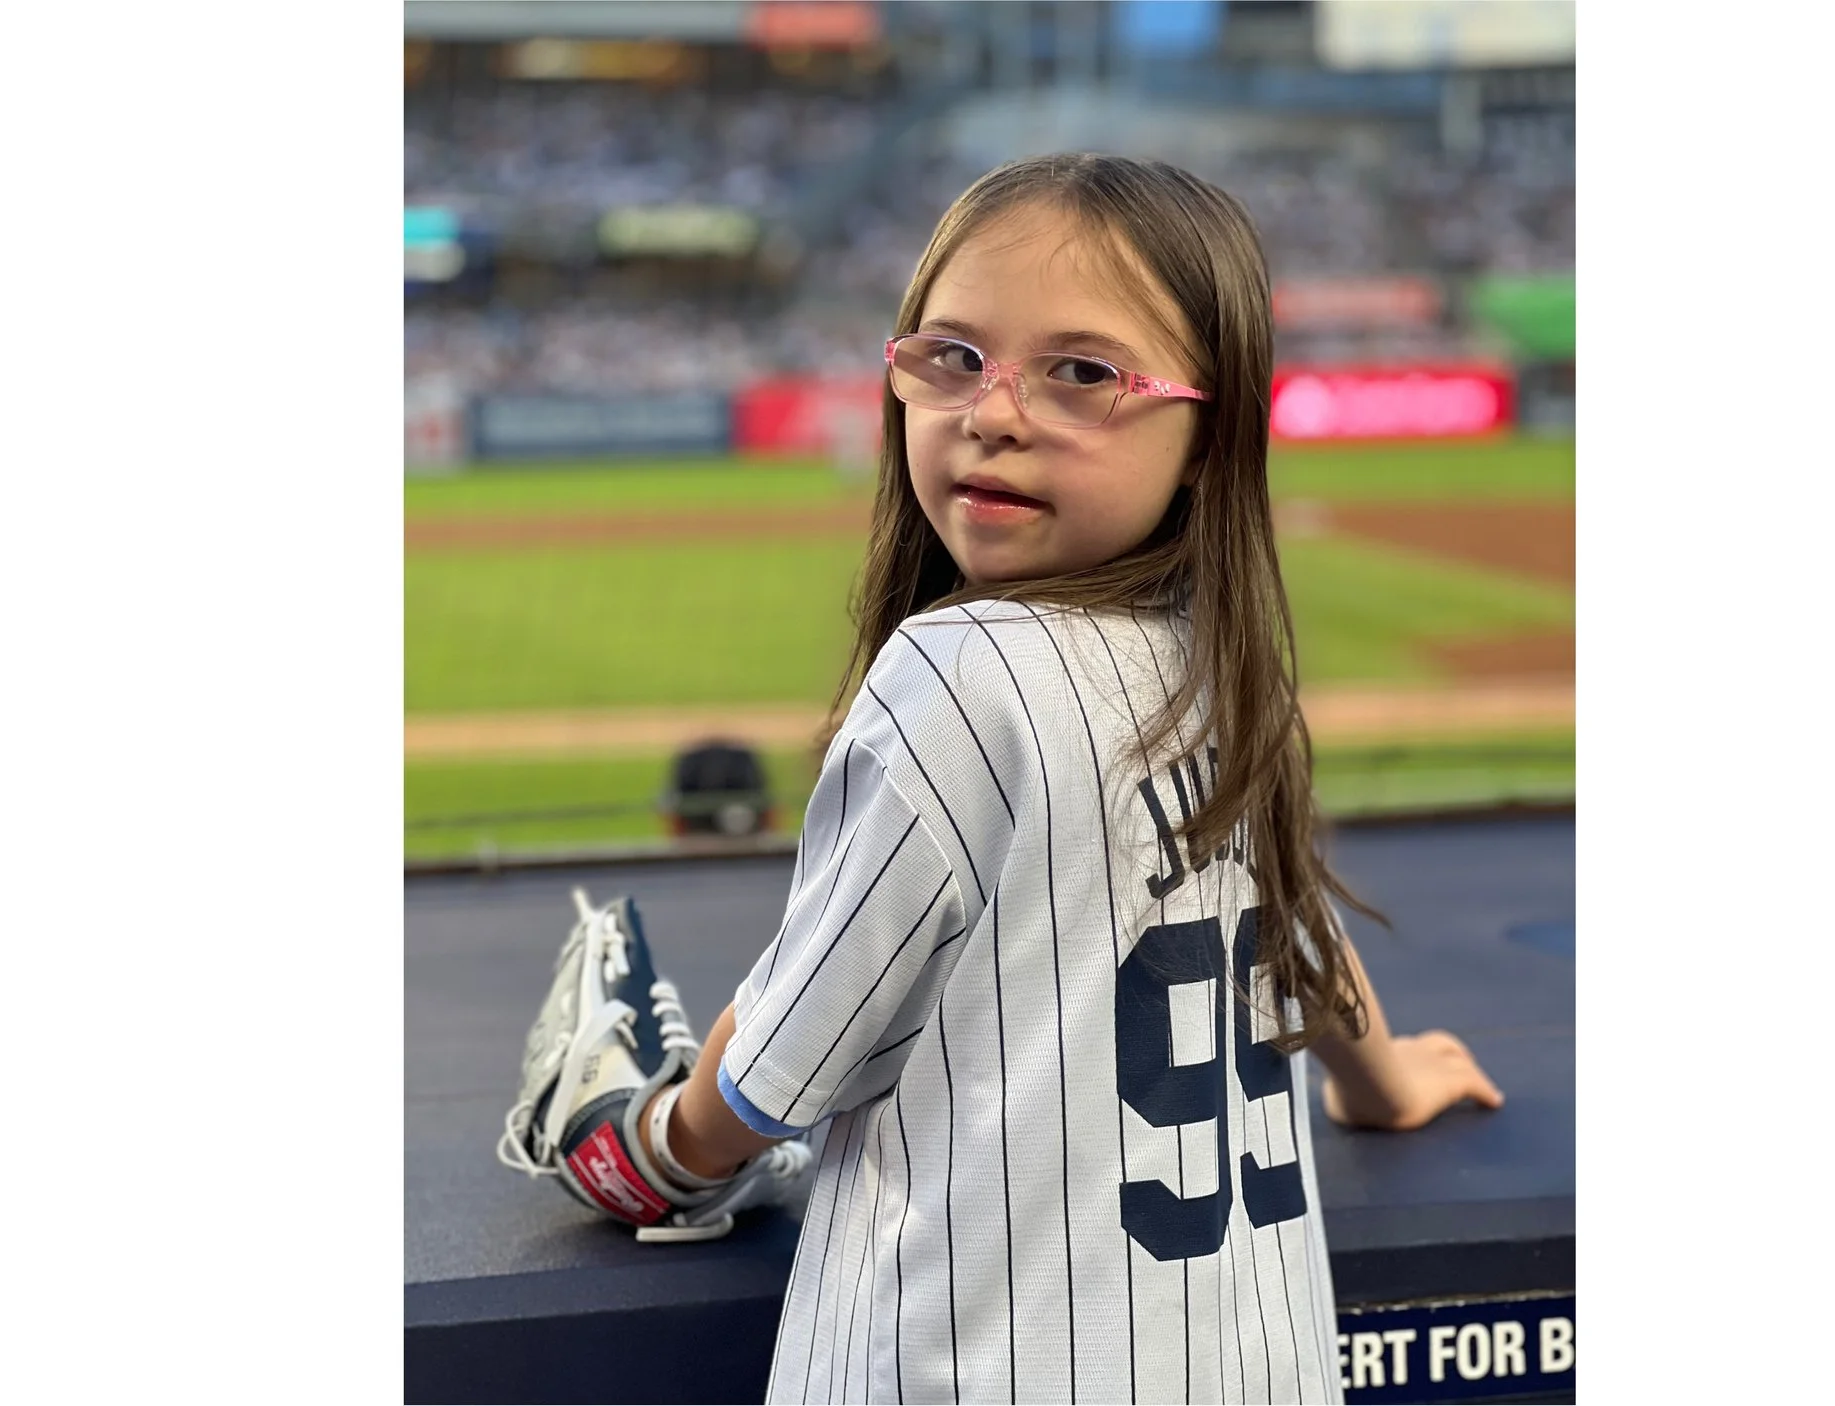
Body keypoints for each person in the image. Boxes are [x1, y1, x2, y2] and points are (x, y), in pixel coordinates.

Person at [603, 153, 1502, 1403]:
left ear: (1209, 436)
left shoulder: (958, 675)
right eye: (954, 357)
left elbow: (766, 1084)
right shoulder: (1232, 676)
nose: (995, 410)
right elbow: (1284, 927)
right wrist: (1383, 1076)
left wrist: (639, 1145)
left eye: (1082, 374)